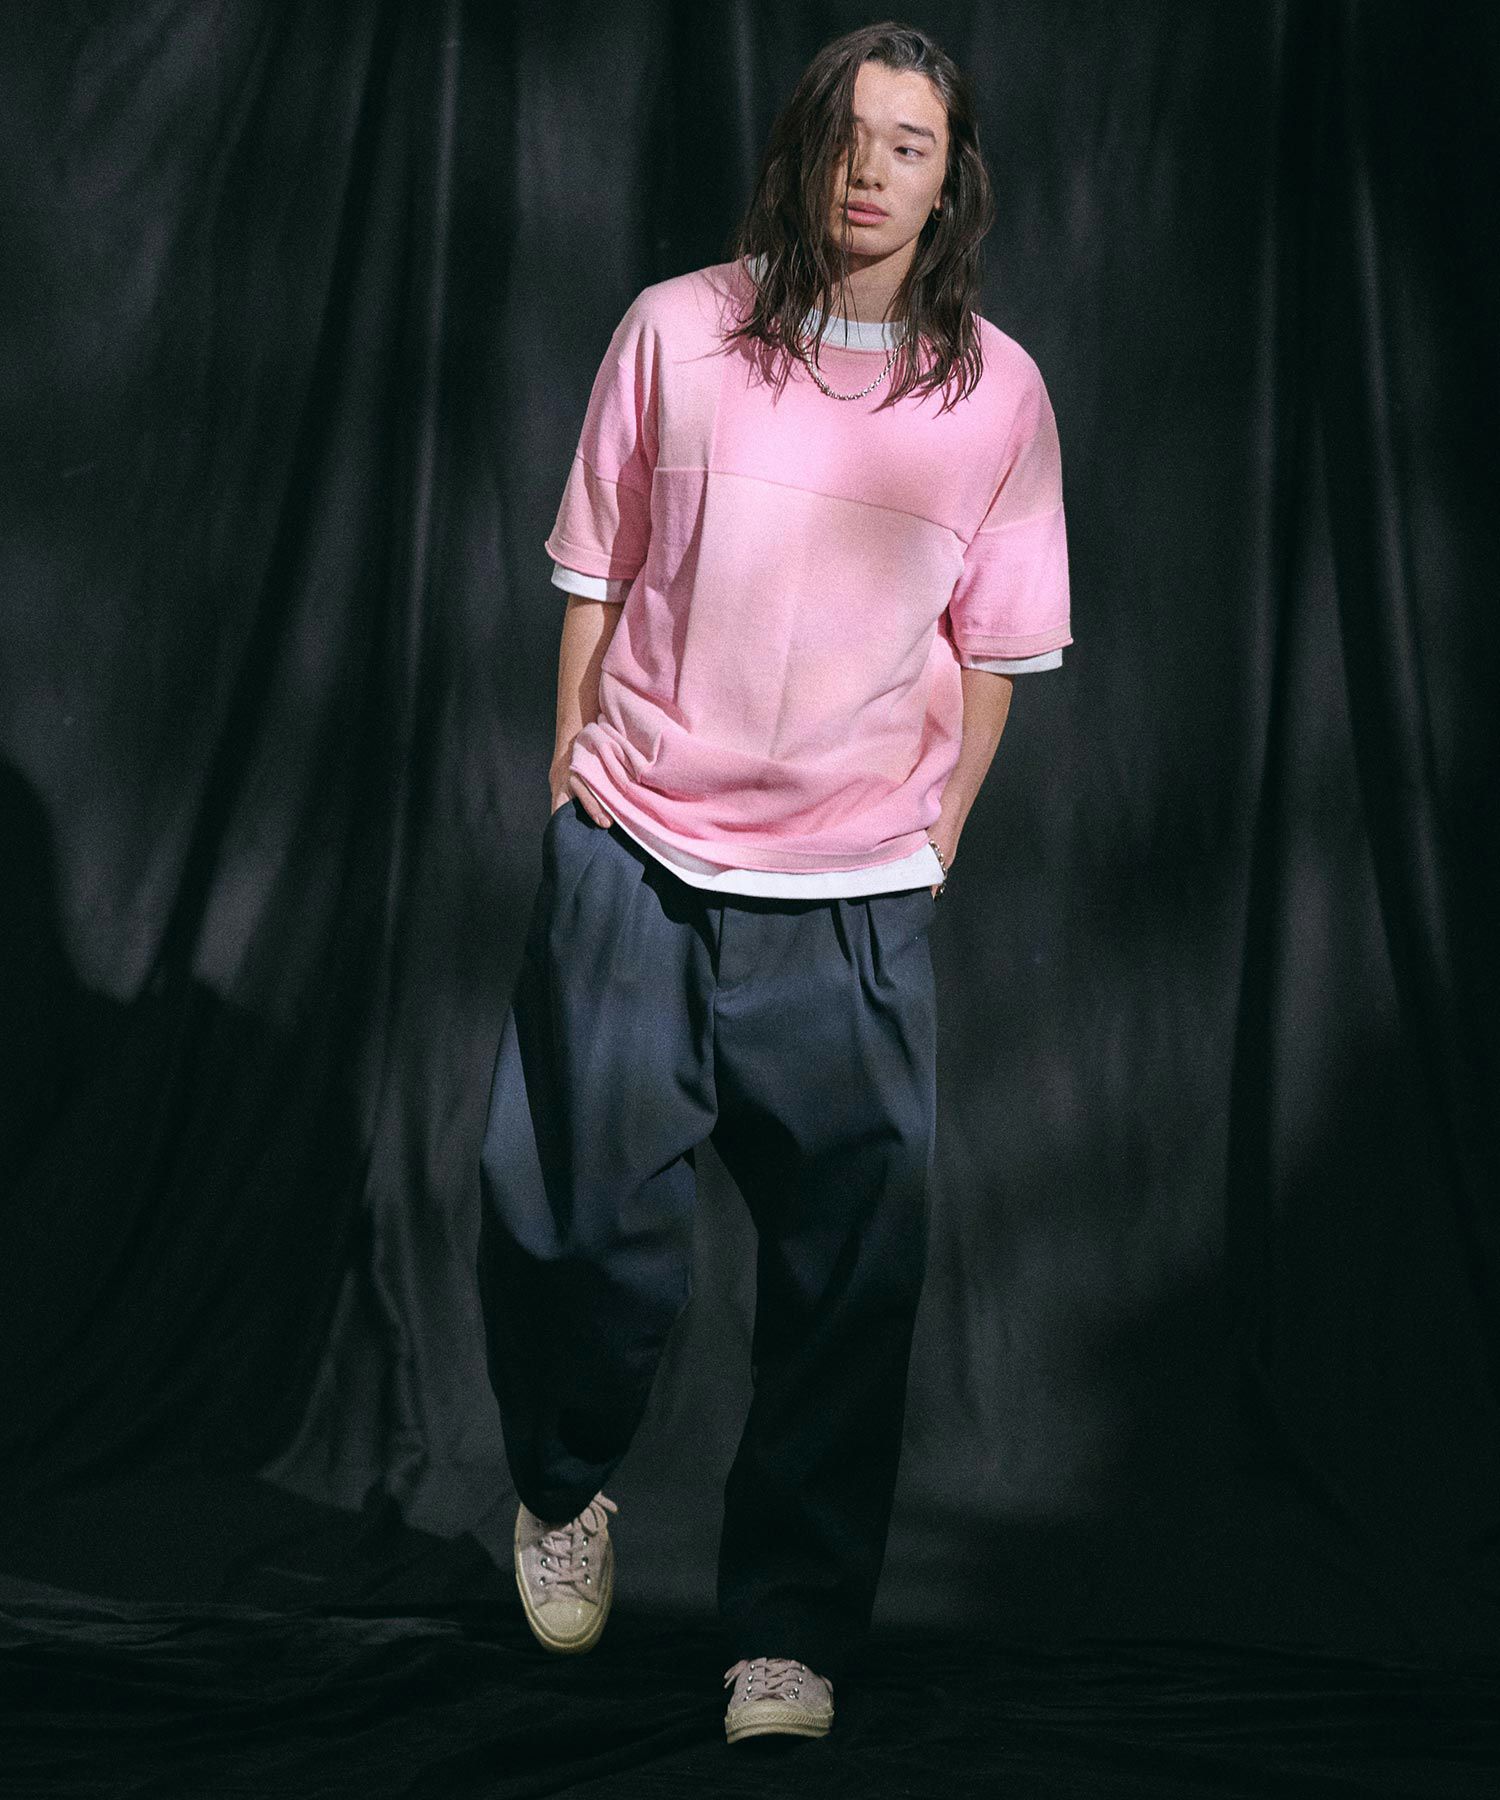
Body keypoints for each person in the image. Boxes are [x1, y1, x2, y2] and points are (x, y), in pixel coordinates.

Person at [476, 19, 1071, 1746]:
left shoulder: (998, 394)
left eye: (911, 145)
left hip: (855, 898)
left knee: (845, 1292)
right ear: (804, 150)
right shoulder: (674, 331)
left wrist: (933, 844)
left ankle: (785, 1638)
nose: (872, 171)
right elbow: (597, 572)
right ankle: (564, 1477)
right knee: (569, 1230)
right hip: (638, 860)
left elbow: (998, 652)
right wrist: (574, 782)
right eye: (850, 135)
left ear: (950, 180)